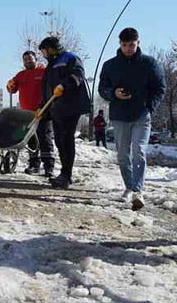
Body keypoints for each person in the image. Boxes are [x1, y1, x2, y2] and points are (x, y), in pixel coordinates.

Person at [99, 27, 166, 211]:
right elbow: (102, 88)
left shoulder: (150, 64)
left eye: (132, 44)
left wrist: (149, 106)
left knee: (139, 151)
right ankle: (128, 186)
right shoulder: (110, 65)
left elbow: (160, 88)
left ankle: (138, 190)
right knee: (122, 155)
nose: (128, 48)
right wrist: (114, 93)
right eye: (125, 45)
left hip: (141, 114)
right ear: (119, 44)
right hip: (119, 115)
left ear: (138, 42)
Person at [38, 36, 90, 189]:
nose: (43, 54)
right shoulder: (51, 65)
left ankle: (66, 176)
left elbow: (78, 75)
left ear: (50, 49)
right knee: (60, 141)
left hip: (70, 106)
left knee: (66, 140)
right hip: (56, 109)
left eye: (43, 51)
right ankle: (64, 174)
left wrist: (64, 85)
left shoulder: (70, 58)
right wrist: (42, 107)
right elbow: (48, 90)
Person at [5, 50, 54, 176]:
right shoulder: (21, 75)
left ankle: (49, 167)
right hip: (26, 114)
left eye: (30, 59)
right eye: (25, 59)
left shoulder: (44, 72)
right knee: (31, 140)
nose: (28, 61)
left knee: (44, 139)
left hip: (43, 112)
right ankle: (34, 165)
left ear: (35, 59)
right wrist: (10, 85)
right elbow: (13, 89)